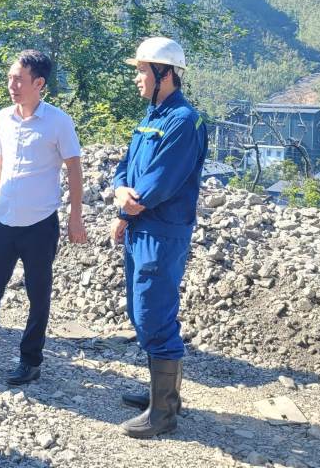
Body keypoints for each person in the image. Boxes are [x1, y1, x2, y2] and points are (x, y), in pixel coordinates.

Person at [0, 50, 86, 384]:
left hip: (40, 223)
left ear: (39, 83)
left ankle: (30, 360)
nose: (12, 85)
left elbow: (74, 167)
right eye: (10, 77)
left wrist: (75, 216)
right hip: (2, 218)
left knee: (38, 294)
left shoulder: (57, 121)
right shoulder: (3, 119)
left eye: (19, 80)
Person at [111, 37, 207, 438]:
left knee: (154, 313)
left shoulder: (184, 121)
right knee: (140, 311)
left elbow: (155, 187)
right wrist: (119, 193)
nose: (137, 77)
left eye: (142, 70)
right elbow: (125, 168)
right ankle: (159, 393)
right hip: (140, 228)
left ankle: (163, 413)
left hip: (162, 232)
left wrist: (126, 205)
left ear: (164, 73)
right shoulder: (152, 115)